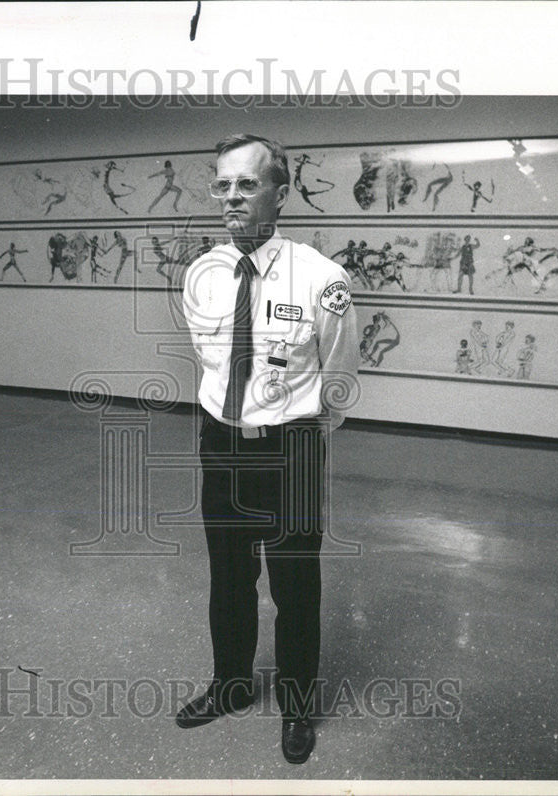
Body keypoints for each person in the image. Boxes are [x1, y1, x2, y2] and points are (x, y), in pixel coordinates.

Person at [180, 134, 360, 765]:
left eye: (247, 184)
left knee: (294, 586)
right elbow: (207, 361)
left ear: (281, 194)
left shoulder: (321, 277)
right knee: (228, 576)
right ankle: (229, 686)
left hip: (293, 449)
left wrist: (302, 429)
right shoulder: (202, 274)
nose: (232, 196)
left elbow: (339, 374)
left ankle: (297, 707)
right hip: (220, 443)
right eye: (222, 184)